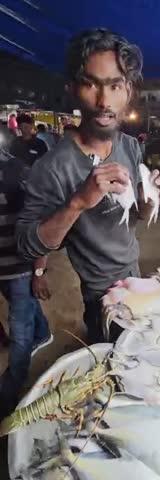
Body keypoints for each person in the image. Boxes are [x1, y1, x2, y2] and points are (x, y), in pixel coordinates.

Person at [16, 28, 160, 344]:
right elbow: (26, 245)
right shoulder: (51, 167)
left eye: (115, 85)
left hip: (135, 273)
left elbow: (129, 221)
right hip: (99, 294)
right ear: (73, 89)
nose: (104, 101)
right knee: (116, 365)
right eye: (91, 84)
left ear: (127, 91)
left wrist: (148, 202)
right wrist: (78, 201)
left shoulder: (129, 146)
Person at [0, 132, 52, 419]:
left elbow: (40, 226)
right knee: (26, 310)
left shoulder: (16, 173)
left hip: (19, 268)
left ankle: (8, 394)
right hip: (3, 272)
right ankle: (43, 333)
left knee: (20, 335)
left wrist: (38, 272)